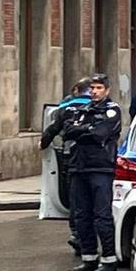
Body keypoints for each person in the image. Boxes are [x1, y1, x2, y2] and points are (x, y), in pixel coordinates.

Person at [63, 74, 123, 271]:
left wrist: (83, 131)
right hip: (79, 167)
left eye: (99, 88)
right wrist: (86, 129)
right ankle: (88, 258)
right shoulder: (82, 110)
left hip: (101, 168)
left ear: (107, 90)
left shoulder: (112, 110)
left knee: (102, 216)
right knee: (81, 215)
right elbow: (67, 131)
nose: (95, 91)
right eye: (93, 88)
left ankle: (108, 259)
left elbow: (101, 134)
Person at [40, 77, 92, 255]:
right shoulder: (103, 108)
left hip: (72, 160)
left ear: (77, 90)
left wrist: (43, 144)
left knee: (75, 199)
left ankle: (78, 234)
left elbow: (52, 130)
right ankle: (94, 238)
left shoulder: (65, 109)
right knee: (96, 202)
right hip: (98, 163)